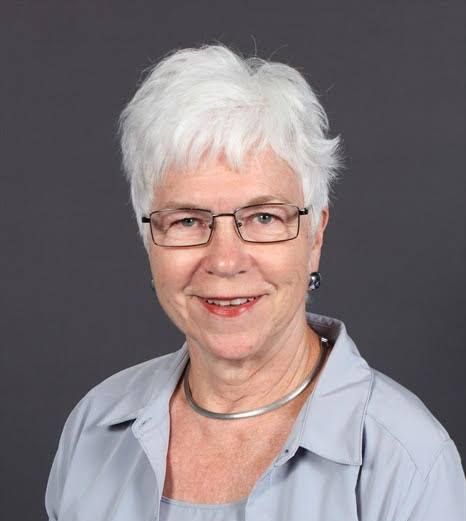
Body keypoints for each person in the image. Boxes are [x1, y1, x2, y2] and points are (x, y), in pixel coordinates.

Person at [45, 44, 465, 521]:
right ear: (149, 239)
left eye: (264, 217)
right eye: (187, 221)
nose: (225, 261)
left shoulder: (406, 463)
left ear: (315, 235)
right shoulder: (94, 430)